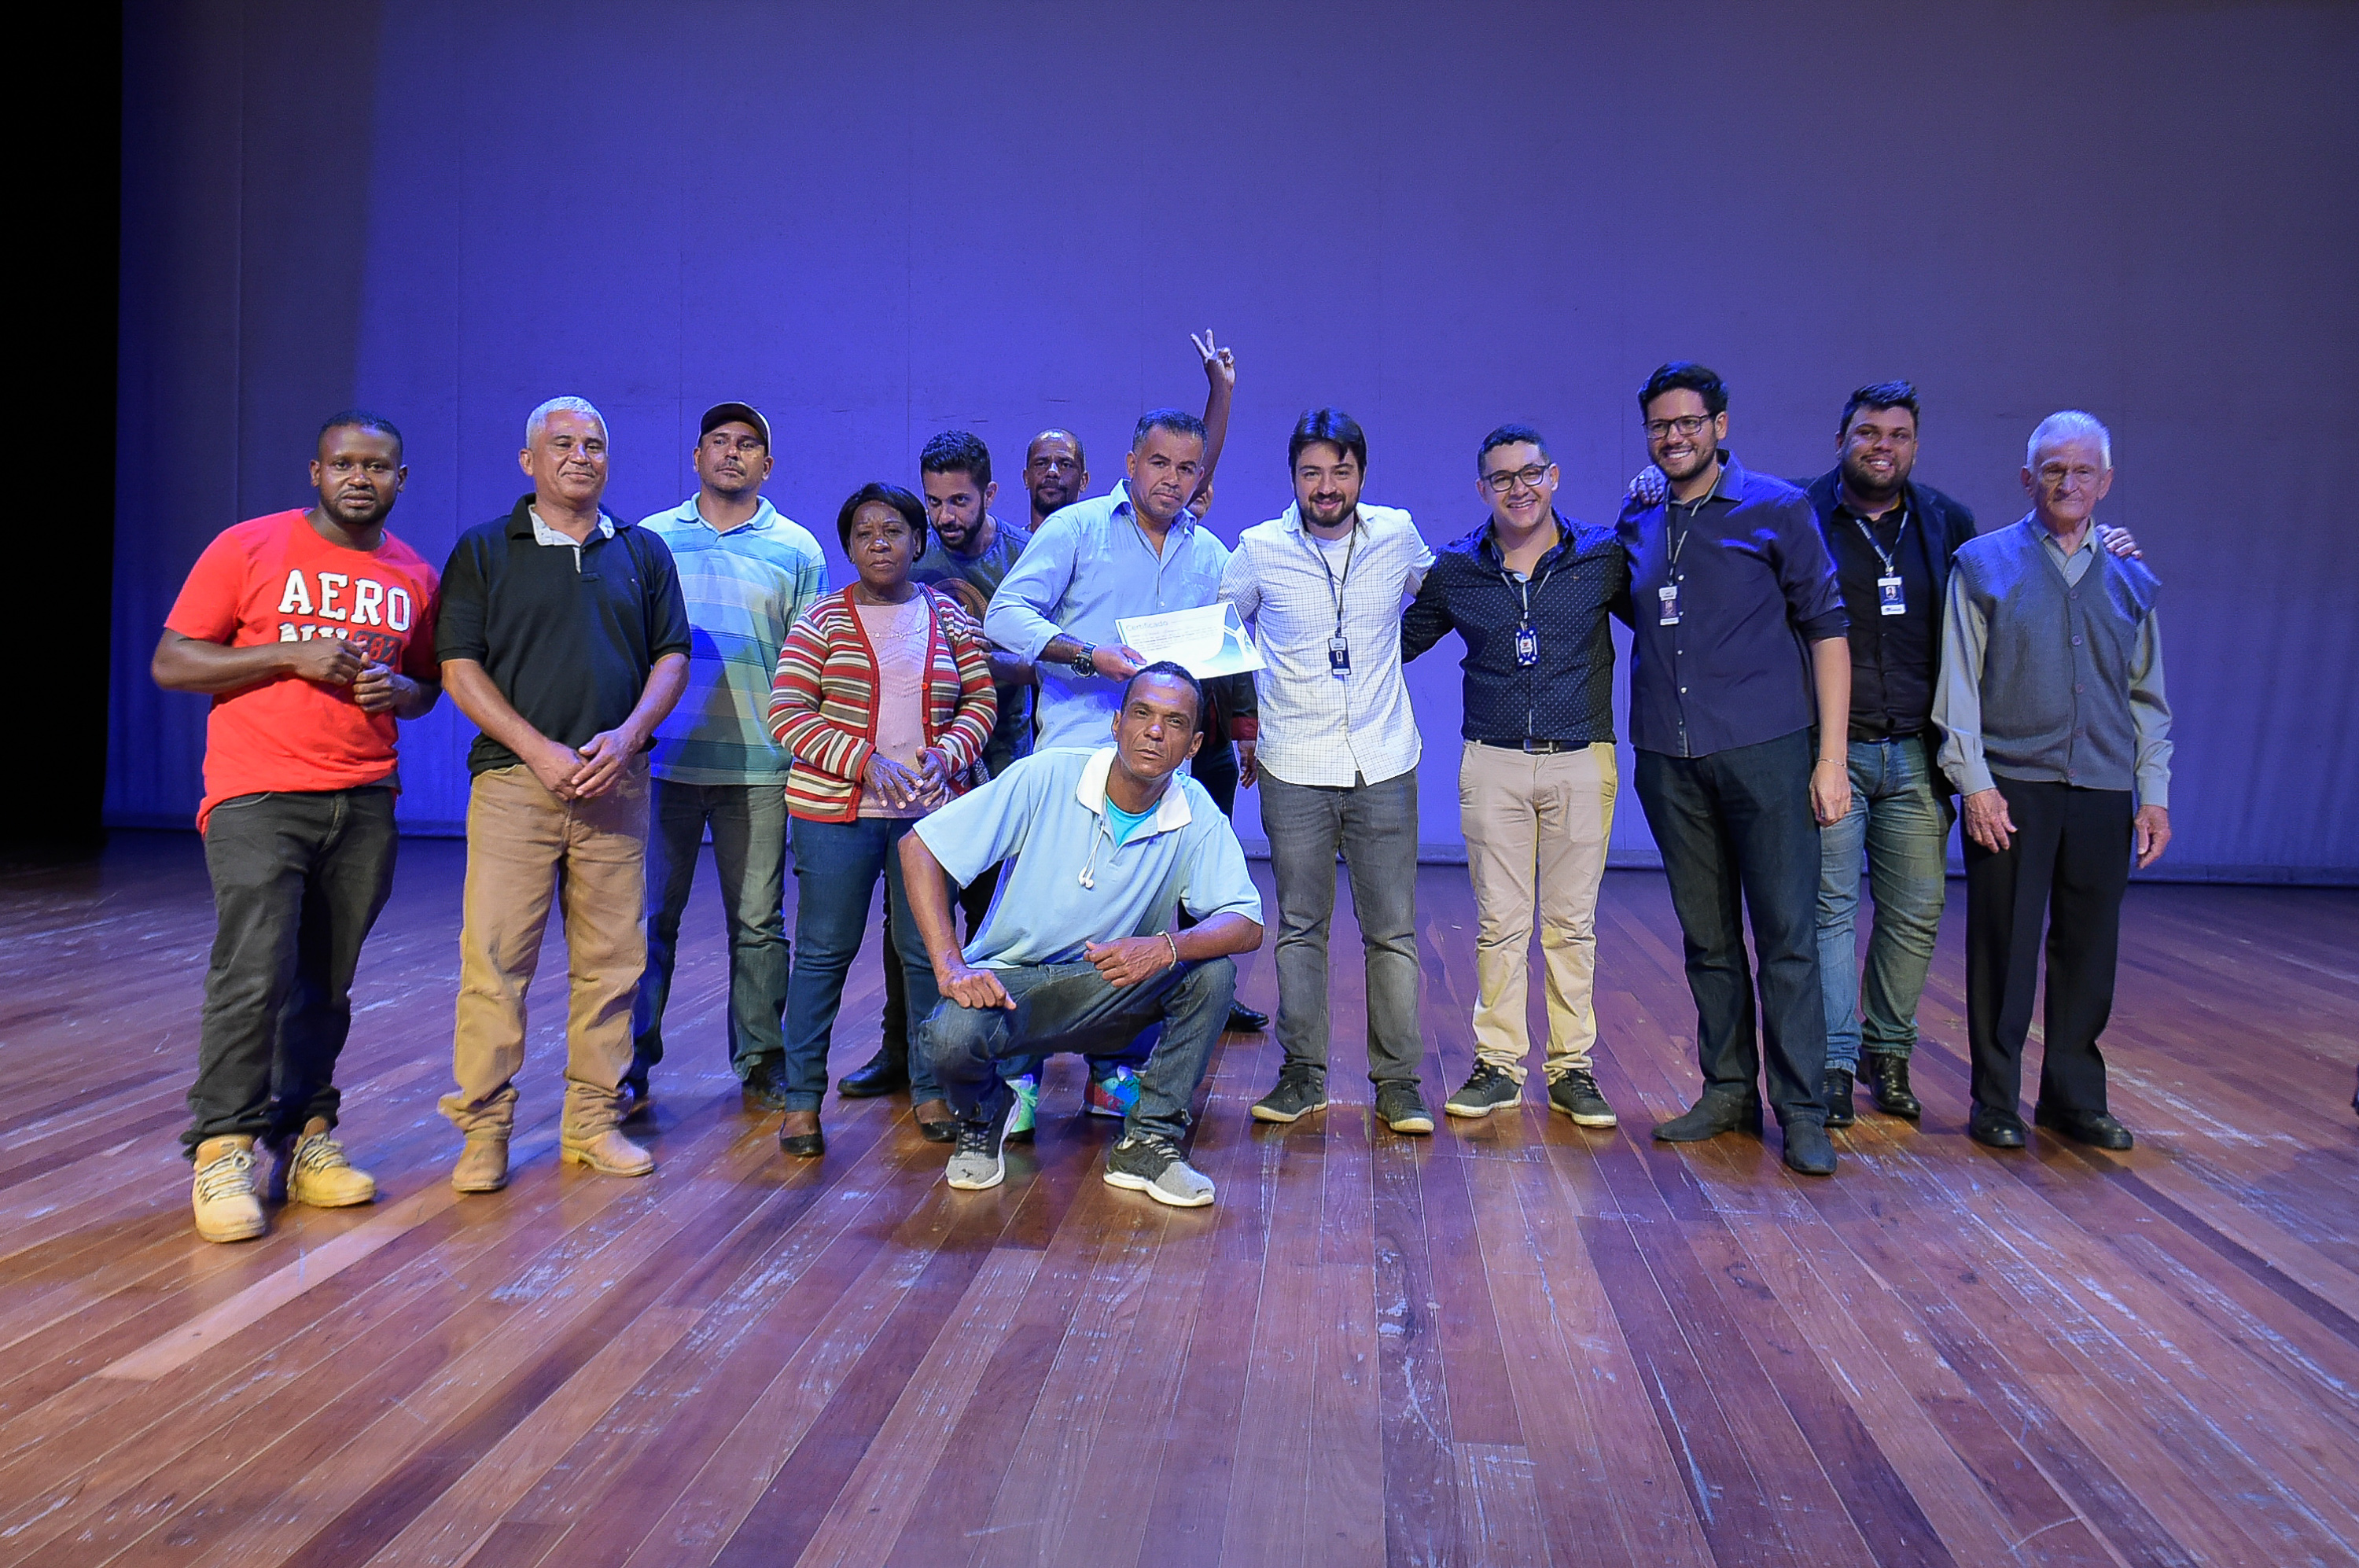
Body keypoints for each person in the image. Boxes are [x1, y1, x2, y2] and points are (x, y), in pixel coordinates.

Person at [153, 411, 442, 1242]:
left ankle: (306, 1133)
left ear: (399, 480)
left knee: (326, 982)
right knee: (254, 973)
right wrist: (288, 654)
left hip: (365, 798)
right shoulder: (248, 546)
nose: (360, 477)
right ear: (316, 472)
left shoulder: (415, 575)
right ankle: (223, 1146)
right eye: (344, 463)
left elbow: (425, 685)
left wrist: (401, 692)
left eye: (377, 466)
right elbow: (173, 660)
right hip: (259, 793)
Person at [435, 397, 691, 1193]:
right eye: (563, 443)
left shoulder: (642, 550)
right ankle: (485, 1130)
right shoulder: (485, 549)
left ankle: (591, 1122)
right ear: (529, 461)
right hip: (516, 784)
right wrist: (536, 749)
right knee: (495, 961)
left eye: (595, 444)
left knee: (613, 963)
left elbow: (672, 658)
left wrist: (629, 737)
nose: (581, 456)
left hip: (616, 784)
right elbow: (459, 669)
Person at [901, 663, 1264, 1205]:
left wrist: (1167, 946)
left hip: (1108, 988)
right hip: (1013, 986)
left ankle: (1149, 1140)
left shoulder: (1194, 811)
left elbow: (1247, 923)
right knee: (948, 1036)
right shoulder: (1047, 775)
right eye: (1141, 714)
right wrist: (950, 965)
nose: (1154, 731)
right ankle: (985, 1113)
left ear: (1193, 745)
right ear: (1116, 724)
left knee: (1212, 972)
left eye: (1174, 722)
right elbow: (920, 847)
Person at [1619, 363, 1851, 1177]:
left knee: (1787, 936)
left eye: (1689, 422)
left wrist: (1830, 759)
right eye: (1660, 425)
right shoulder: (1640, 516)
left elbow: (1828, 629)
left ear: (1720, 425)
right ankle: (1727, 1090)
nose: (1674, 436)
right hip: (1670, 758)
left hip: (1768, 752)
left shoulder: (1778, 508)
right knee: (1708, 938)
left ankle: (1804, 1110)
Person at [1934, 411, 2170, 1152]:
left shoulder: (2130, 576)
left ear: (2106, 482)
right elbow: (1958, 684)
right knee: (2003, 948)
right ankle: (1996, 1100)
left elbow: (2147, 698)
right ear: (2027, 478)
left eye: (2083, 470)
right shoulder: (1983, 563)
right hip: (2012, 786)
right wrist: (1975, 783)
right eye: (2054, 469)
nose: (2069, 483)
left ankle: (2073, 1099)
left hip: (2102, 788)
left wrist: (2153, 795)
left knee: (2089, 950)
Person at [1401, 423, 1626, 1130]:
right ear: (1482, 489)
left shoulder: (1602, 556)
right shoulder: (1457, 568)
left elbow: (1667, 621)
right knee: (1499, 923)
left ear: (1553, 476)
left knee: (1571, 925)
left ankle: (1572, 1069)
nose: (1518, 489)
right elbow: (1394, 644)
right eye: (1502, 478)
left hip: (1581, 757)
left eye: (1530, 473)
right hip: (1493, 761)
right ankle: (1498, 1065)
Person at [1224, 408, 1438, 1136]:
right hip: (1293, 764)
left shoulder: (1397, 534)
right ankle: (1303, 1075)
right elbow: (1221, 638)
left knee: (1393, 933)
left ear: (1361, 475)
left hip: (1384, 760)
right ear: (1292, 477)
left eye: (1340, 472)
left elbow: (1442, 595)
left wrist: (1394, 654)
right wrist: (1244, 723)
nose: (1326, 486)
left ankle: (1399, 1084)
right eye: (1311, 472)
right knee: (1300, 928)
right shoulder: (1258, 548)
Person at [767, 483, 998, 1154]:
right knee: (823, 954)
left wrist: (950, 755)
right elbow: (786, 713)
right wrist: (862, 762)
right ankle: (802, 1102)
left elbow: (981, 701)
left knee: (927, 954)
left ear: (917, 542)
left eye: (893, 530)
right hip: (836, 813)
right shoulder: (821, 619)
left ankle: (930, 1090)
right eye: (864, 532)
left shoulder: (949, 617)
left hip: (928, 817)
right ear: (849, 547)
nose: (879, 542)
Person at [631, 402, 828, 1112]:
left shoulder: (798, 549)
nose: (732, 453)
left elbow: (811, 665)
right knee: (648, 921)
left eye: (747, 444)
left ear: (766, 465)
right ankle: (630, 1058)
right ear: (697, 457)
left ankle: (762, 1058)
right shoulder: (650, 538)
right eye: (719, 441)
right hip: (661, 765)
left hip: (759, 765)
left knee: (758, 925)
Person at [841, 431, 1035, 1099]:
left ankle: (992, 1053)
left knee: (993, 916)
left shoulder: (1025, 555)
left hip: (1001, 760)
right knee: (912, 920)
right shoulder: (910, 551)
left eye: (959, 501)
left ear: (990, 493)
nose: (945, 515)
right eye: (934, 502)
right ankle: (903, 1050)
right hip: (924, 773)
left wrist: (982, 661)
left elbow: (1049, 659)